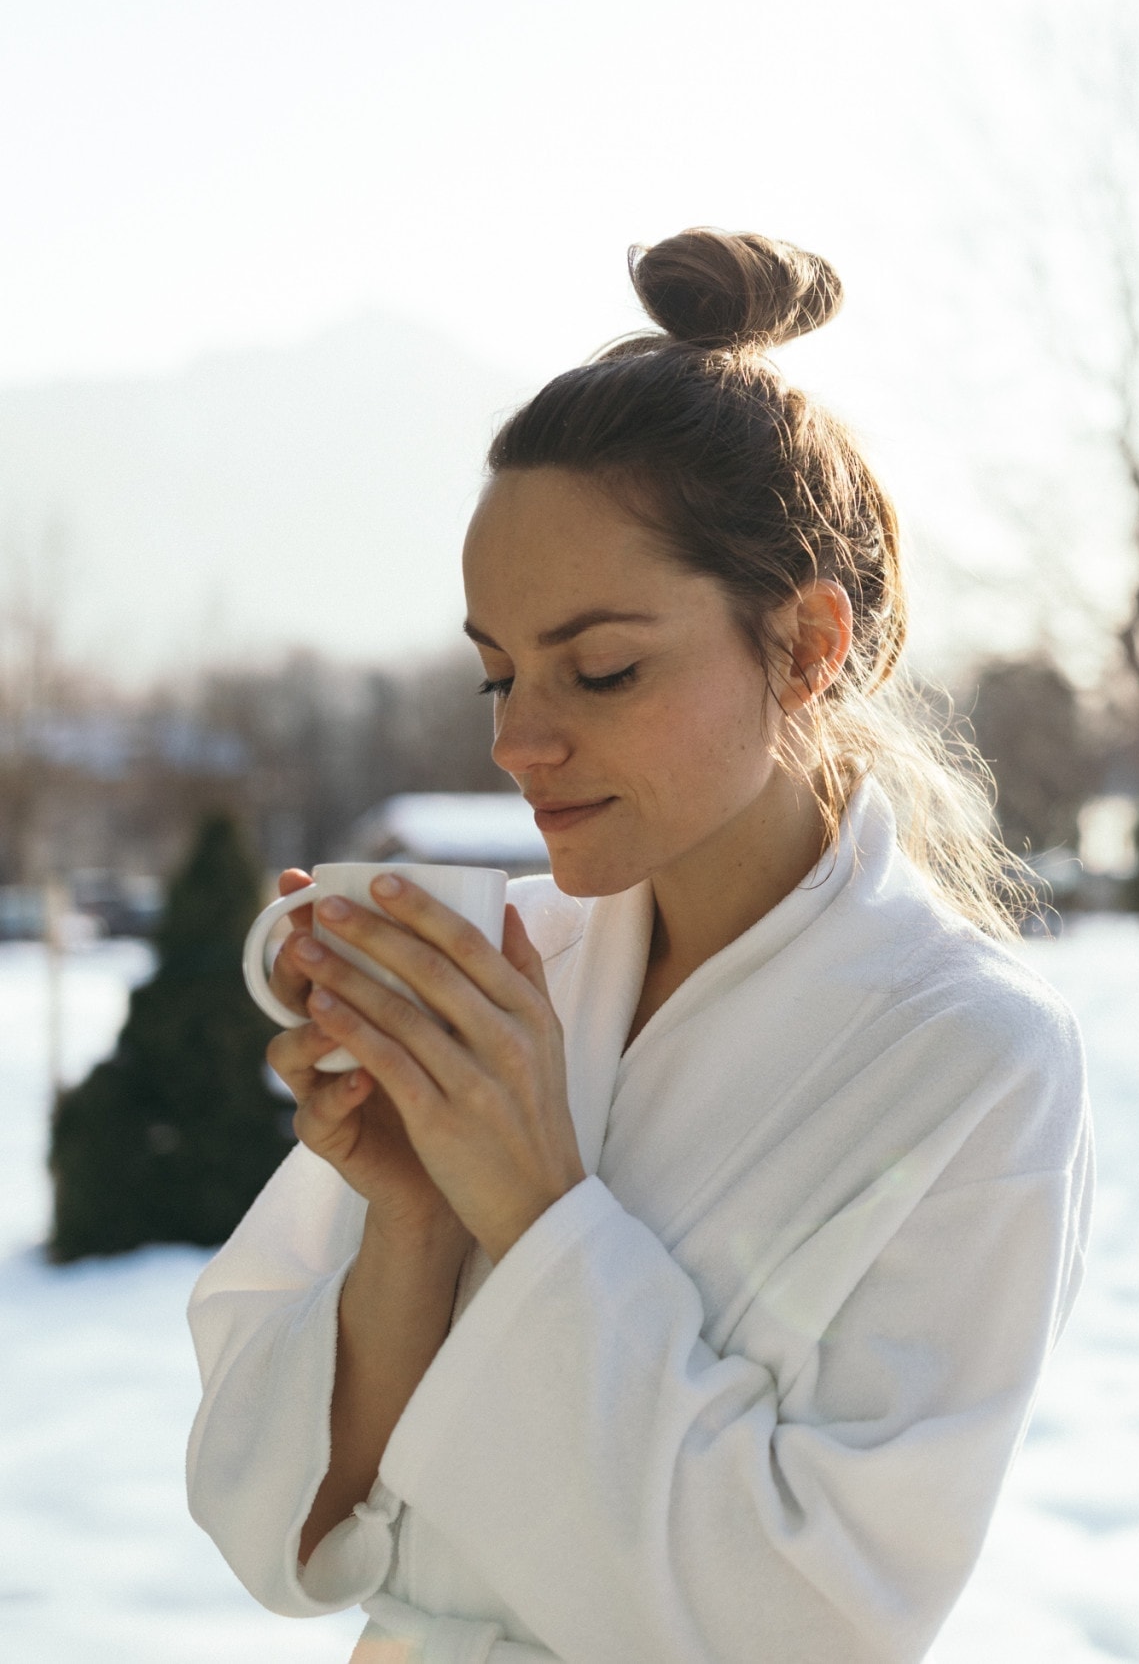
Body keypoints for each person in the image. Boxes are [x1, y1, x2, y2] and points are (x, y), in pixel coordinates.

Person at [186, 229, 1093, 1664]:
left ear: (803, 646)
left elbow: (816, 1618)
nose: (517, 741)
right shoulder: (512, 978)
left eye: (601, 669)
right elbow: (263, 1518)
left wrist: (540, 1210)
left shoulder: (971, 1060)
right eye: (496, 669)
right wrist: (415, 1219)